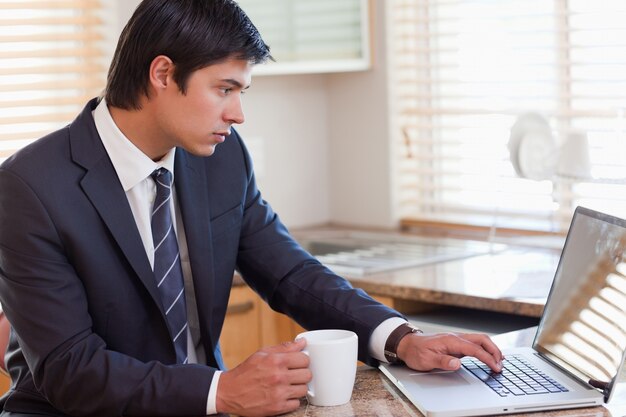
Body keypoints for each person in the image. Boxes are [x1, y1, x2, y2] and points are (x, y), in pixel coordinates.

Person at [0, 1, 503, 416]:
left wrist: (400, 339)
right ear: (162, 73)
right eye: (224, 89)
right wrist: (222, 391)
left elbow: (290, 272)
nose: (237, 114)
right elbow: (71, 371)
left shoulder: (220, 159)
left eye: (241, 92)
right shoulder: (29, 187)